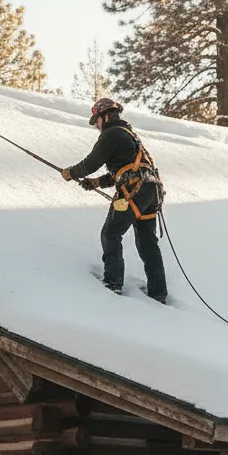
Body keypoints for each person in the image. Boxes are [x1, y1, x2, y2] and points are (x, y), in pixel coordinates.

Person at [62, 97, 168, 303]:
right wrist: (96, 183)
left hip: (134, 190)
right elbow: (124, 170)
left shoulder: (111, 134)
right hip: (151, 191)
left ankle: (113, 284)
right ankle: (158, 292)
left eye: (96, 121)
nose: (97, 126)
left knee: (110, 234)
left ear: (105, 116)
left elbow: (91, 163)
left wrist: (71, 173)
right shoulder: (129, 135)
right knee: (147, 243)